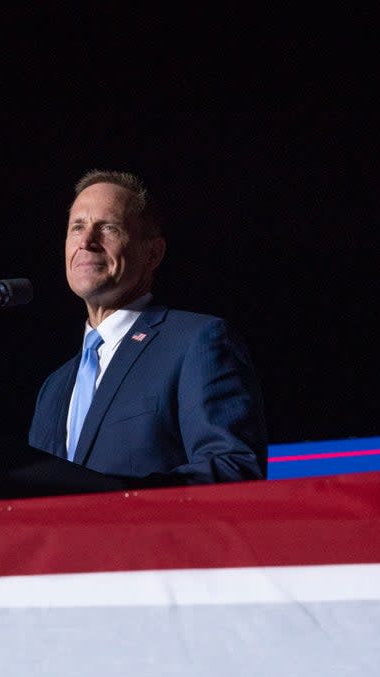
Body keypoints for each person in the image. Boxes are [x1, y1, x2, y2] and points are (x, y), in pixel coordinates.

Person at [28, 169, 268, 484]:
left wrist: (116, 500)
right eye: (77, 227)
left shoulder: (196, 342)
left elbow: (233, 469)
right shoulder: (53, 387)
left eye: (108, 227)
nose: (86, 241)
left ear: (152, 253)